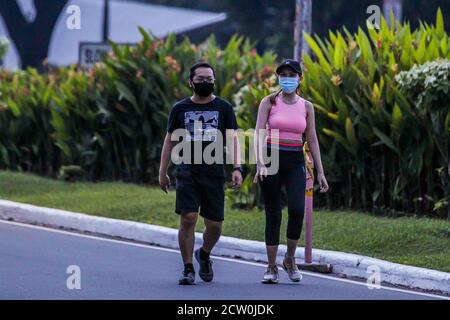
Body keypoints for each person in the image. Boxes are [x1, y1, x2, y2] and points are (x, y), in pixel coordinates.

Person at [159, 62, 243, 285]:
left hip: (214, 172)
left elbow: (233, 138)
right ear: (190, 82)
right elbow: (170, 140)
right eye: (200, 79)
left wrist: (237, 167)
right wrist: (162, 171)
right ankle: (188, 269)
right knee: (188, 218)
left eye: (209, 79)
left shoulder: (224, 108)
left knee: (214, 225)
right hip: (187, 171)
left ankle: (204, 253)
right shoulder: (180, 109)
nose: (205, 82)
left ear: (214, 81)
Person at [253, 59, 329, 284]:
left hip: (295, 159)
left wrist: (321, 172)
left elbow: (312, 140)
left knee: (297, 210)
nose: (287, 78)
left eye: (291, 74)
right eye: (283, 74)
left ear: (299, 79)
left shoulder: (306, 106)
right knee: (273, 213)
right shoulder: (269, 102)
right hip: (271, 158)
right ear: (279, 78)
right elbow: (258, 133)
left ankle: (289, 259)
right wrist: (260, 164)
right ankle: (270, 266)